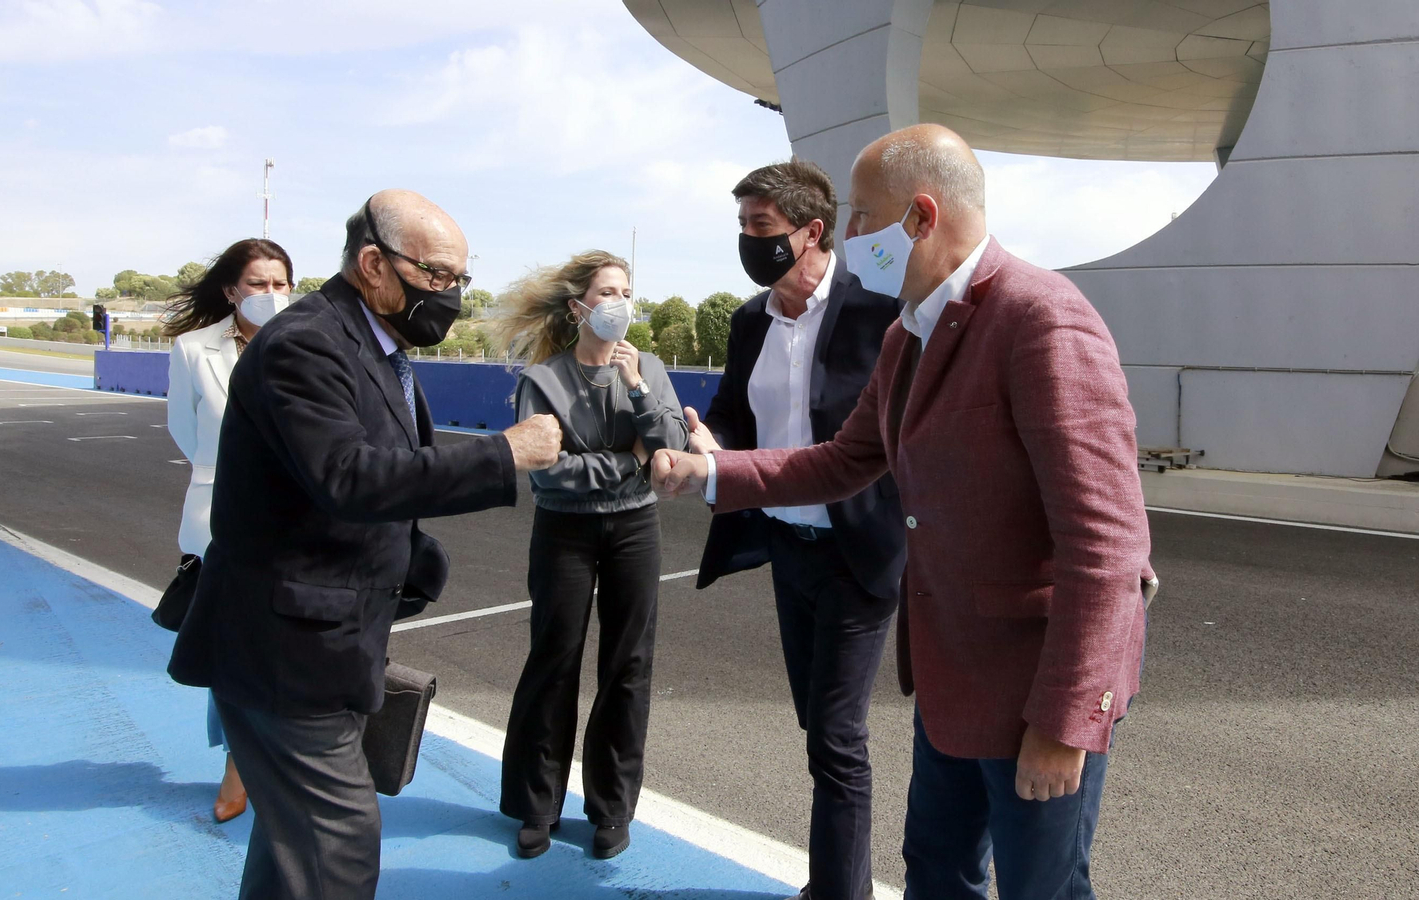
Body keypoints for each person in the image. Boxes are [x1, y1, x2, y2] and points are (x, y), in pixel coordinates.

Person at [653, 124, 1154, 900]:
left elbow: (1107, 546)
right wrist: (711, 473)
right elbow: (843, 461)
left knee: (1040, 889)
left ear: (921, 216)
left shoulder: (1041, 319)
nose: (850, 237)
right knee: (937, 875)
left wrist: (1066, 724)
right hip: (953, 677)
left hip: (1035, 692)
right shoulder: (907, 334)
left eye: (860, 217)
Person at [167, 190, 563, 900]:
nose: (450, 296)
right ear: (373, 263)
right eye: (437, 275)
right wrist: (502, 455)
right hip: (285, 652)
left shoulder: (378, 347)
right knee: (336, 849)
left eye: (459, 281)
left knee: (293, 850)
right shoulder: (307, 344)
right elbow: (348, 475)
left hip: (329, 642)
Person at [686, 159, 906, 900]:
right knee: (817, 728)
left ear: (811, 232)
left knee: (839, 738)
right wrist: (706, 439)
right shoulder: (751, 321)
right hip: (787, 546)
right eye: (742, 227)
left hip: (856, 551)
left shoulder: (880, 313)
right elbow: (732, 414)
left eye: (761, 227)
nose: (748, 242)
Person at [489, 251, 688, 861]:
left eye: (625, 291)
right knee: (554, 659)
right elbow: (550, 476)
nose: (618, 304)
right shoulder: (543, 379)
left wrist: (637, 389)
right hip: (565, 532)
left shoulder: (648, 367)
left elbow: (673, 448)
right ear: (579, 307)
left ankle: (611, 808)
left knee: (629, 667)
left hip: (635, 529)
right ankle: (536, 805)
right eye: (606, 292)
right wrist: (629, 460)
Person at [164, 237, 295, 824]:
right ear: (231, 291)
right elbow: (185, 433)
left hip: (298, 517)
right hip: (222, 518)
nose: (271, 295)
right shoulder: (194, 350)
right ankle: (238, 762)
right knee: (230, 649)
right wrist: (227, 481)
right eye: (259, 284)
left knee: (291, 642)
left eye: (281, 283)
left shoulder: (308, 344)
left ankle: (290, 756)